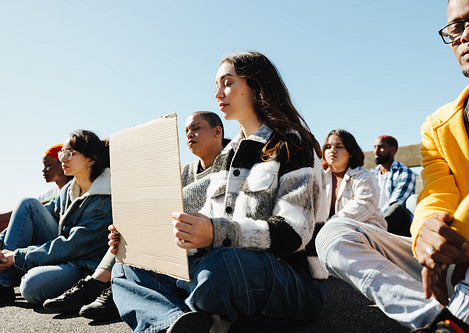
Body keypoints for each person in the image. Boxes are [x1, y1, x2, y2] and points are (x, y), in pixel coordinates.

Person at [110, 51, 327, 333]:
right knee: (126, 268)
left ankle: (186, 312)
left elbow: (294, 233)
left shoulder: (293, 143)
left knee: (219, 269)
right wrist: (138, 241)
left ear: (256, 86)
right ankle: (174, 324)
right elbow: (208, 227)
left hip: (291, 282)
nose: (218, 93)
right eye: (216, 86)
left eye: (227, 83)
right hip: (223, 269)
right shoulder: (227, 156)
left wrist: (216, 232)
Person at [316, 0, 469, 332]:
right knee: (334, 234)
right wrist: (427, 237)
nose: (468, 34)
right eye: (456, 27)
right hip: (454, 259)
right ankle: (438, 319)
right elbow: (436, 191)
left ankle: (467, 318)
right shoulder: (439, 124)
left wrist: (459, 243)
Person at [42, 111, 228, 322]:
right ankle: (98, 284)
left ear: (217, 132)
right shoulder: (185, 171)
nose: (189, 134)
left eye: (196, 128)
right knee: (131, 224)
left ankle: (104, 286)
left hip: (203, 245)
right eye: (186, 131)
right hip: (176, 239)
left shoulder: (232, 165)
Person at [0, 130, 112, 306]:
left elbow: (72, 246)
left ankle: (10, 272)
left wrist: (18, 256)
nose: (63, 159)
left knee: (30, 286)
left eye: (70, 154)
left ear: (91, 159)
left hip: (81, 264)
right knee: (28, 204)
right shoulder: (69, 189)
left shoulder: (103, 198)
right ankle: (3, 282)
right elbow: (33, 215)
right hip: (62, 252)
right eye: (62, 154)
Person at [322, 129, 386, 230]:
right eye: (328, 147)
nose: (332, 150)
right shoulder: (320, 179)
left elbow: (364, 205)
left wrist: (330, 224)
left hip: (365, 232)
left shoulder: (364, 176)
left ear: (350, 153)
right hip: (326, 234)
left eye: (339, 147)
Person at [0, 143, 72, 232]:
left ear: (62, 164)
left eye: (48, 165)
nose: (43, 169)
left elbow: (28, 209)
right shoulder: (50, 193)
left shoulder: (72, 189)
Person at [371, 135, 416, 236]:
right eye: (374, 147)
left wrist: (376, 224)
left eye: (380, 147)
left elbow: (396, 204)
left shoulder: (405, 173)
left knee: (396, 208)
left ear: (392, 150)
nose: (376, 151)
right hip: (373, 223)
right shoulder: (371, 174)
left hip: (397, 226)